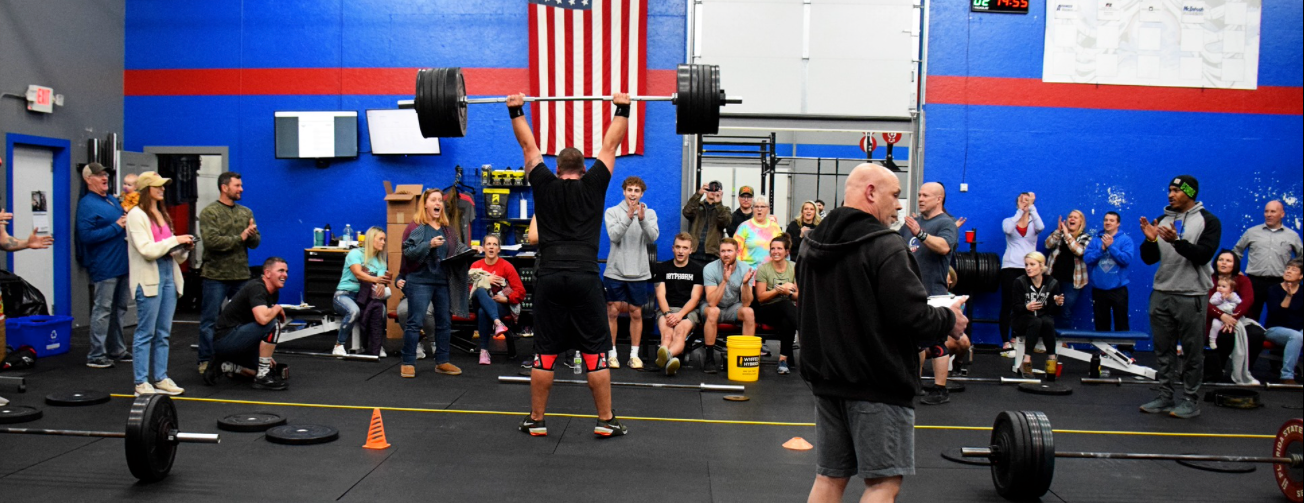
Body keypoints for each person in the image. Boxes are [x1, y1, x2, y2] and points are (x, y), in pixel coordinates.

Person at [798, 163, 968, 503]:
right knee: (883, 485)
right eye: (894, 195)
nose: (900, 204)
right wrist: (950, 320)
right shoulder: (886, 245)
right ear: (871, 192)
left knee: (829, 479)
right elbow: (913, 318)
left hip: (828, 382)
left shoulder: (810, 245)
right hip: (878, 383)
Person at [510, 91, 631, 437]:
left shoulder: (544, 185)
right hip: (584, 277)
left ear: (558, 169)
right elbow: (610, 145)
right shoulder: (595, 185)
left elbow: (529, 147)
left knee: (544, 353)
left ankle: (536, 420)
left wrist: (515, 109)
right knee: (596, 353)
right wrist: (622, 106)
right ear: (582, 169)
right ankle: (605, 421)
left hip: (548, 277)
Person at [1139, 174, 1221, 419]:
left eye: (1176, 190)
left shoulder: (1209, 221)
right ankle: (1165, 397)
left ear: (1190, 193)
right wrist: (1150, 240)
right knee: (1163, 350)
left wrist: (1177, 241)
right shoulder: (1163, 219)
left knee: (1192, 351)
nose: (1170, 194)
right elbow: (1149, 258)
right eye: (1169, 190)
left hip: (1191, 295)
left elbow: (1203, 255)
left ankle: (1190, 400)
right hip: (1162, 293)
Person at [125, 171, 194, 397]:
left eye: (163, 186)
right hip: (148, 277)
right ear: (146, 189)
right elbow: (146, 250)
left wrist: (183, 247)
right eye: (158, 186)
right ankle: (141, 382)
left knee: (163, 332)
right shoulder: (136, 214)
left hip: (168, 274)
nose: (162, 189)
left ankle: (161, 377)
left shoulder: (161, 213)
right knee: (146, 332)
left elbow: (170, 252)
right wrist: (175, 240)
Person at [399, 188, 473, 378]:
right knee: (415, 321)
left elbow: (457, 248)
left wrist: (470, 251)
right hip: (420, 280)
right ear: (425, 204)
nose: (438, 203)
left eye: (440, 200)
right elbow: (408, 252)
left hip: (442, 281)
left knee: (444, 322)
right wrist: (428, 245)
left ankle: (442, 361)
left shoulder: (448, 230)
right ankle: (408, 362)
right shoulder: (416, 227)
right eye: (434, 200)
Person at [197, 172, 260, 376]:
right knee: (210, 321)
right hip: (215, 275)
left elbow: (255, 243)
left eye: (241, 185)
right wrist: (240, 236)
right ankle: (206, 360)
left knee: (245, 320)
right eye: (237, 185)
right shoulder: (210, 213)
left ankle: (241, 360)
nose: (241, 189)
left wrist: (250, 234)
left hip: (241, 275)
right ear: (225, 187)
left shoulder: (245, 212)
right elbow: (212, 243)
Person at [76, 162, 132, 369]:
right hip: (104, 266)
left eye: (105, 174)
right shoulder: (87, 204)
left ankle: (116, 349)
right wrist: (116, 226)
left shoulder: (111, 200)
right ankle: (96, 354)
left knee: (119, 309)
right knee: (103, 309)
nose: (104, 177)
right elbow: (86, 236)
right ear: (88, 179)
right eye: (98, 175)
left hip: (122, 264)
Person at [205, 257, 290, 390]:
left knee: (268, 369)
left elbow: (256, 325)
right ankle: (262, 377)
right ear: (267, 273)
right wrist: (277, 308)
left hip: (239, 338)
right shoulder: (257, 287)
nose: (285, 275)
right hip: (226, 339)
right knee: (273, 324)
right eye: (280, 271)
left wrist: (265, 357)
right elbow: (263, 320)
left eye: (286, 271)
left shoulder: (273, 293)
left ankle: (225, 366)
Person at [603, 175, 659, 369]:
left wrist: (642, 220)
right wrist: (628, 216)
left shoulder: (649, 213)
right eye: (629, 190)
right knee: (612, 312)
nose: (633, 194)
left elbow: (652, 238)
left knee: (637, 313)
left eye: (636, 191)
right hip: (615, 271)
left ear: (641, 194)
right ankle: (612, 354)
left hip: (639, 272)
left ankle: (634, 355)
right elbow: (614, 236)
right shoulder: (612, 212)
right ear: (624, 192)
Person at [1234, 200, 1303, 323]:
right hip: (1254, 282)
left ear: (1282, 214)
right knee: (1250, 317)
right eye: (1266, 211)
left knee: (1278, 318)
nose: (1268, 214)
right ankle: (1251, 341)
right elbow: (1236, 252)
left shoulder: (1292, 236)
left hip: (1280, 284)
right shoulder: (1252, 232)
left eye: (1273, 211)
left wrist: (1297, 277)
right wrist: (1236, 271)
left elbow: (1301, 257)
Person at [1205, 250, 1265, 384]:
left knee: (1257, 335)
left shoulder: (1243, 280)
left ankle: (1246, 370)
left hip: (1238, 318)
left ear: (1235, 264)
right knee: (1226, 334)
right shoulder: (1208, 278)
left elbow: (1248, 301)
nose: (1224, 263)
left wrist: (1232, 318)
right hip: (1213, 319)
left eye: (1228, 260)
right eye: (1221, 259)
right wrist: (1222, 316)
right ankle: (1218, 370)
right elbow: (1205, 302)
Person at [331, 226, 392, 357]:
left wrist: (381, 284)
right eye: (380, 239)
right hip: (343, 295)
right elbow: (358, 274)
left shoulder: (381, 262)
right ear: (371, 239)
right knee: (354, 311)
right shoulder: (355, 254)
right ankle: (339, 345)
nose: (383, 242)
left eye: (384, 240)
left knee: (380, 310)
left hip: (363, 298)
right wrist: (376, 279)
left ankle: (377, 345)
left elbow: (380, 280)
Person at [468, 233, 525, 365]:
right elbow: (470, 290)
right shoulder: (476, 265)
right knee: (480, 289)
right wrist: (485, 280)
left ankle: (484, 351)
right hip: (478, 301)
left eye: (495, 244)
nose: (491, 247)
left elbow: (521, 292)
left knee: (484, 312)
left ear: (499, 249)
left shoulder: (506, 266)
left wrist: (506, 299)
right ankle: (498, 323)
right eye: (488, 244)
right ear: (483, 248)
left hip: (500, 304)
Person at [652, 233, 704, 377]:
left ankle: (666, 356)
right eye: (678, 247)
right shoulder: (662, 268)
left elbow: (695, 298)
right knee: (667, 335)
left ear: (690, 250)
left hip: (688, 311)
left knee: (679, 333)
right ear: (673, 248)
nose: (681, 251)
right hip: (666, 309)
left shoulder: (697, 270)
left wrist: (680, 315)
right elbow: (660, 295)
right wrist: (668, 314)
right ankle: (670, 362)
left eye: (685, 248)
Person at [701, 238, 756, 374]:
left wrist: (745, 284)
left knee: (749, 312)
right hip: (712, 306)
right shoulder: (710, 268)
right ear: (719, 253)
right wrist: (724, 281)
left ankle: (746, 355)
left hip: (732, 306)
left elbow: (747, 303)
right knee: (713, 311)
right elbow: (712, 302)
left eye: (729, 251)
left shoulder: (746, 269)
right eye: (723, 251)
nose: (726, 254)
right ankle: (709, 358)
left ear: (737, 252)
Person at [999, 192, 1044, 354]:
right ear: (1017, 202)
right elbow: (1009, 230)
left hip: (1029, 269)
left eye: (1027, 200)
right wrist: (1021, 211)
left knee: (1025, 304)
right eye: (1021, 200)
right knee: (1008, 303)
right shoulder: (1009, 221)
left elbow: (1041, 227)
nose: (1024, 203)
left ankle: (1017, 337)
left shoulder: (1034, 222)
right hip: (1010, 267)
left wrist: (1031, 208)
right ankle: (1005, 340)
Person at [1011, 252, 1065, 378]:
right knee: (1036, 321)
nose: (1028, 268)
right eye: (1026, 265)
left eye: (1032, 264)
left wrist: (1057, 303)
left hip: (1041, 319)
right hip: (1021, 319)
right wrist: (1026, 307)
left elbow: (1052, 312)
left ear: (1041, 266)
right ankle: (1026, 361)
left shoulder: (1052, 283)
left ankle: (1052, 360)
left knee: (1047, 322)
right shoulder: (1020, 282)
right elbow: (1015, 307)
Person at [900, 182, 957, 296]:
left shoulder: (946, 223)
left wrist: (920, 234)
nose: (920, 199)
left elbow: (944, 247)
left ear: (938, 199)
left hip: (932, 294)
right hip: (909, 293)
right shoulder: (911, 224)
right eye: (919, 195)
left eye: (925, 196)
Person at [753, 235, 799, 375]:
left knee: (787, 320)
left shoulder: (795, 267)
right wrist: (779, 290)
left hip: (788, 312)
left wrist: (788, 292)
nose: (775, 251)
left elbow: (799, 295)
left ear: (787, 252)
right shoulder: (763, 269)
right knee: (785, 304)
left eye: (779, 248)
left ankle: (783, 360)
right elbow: (761, 298)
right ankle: (806, 331)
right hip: (767, 310)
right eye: (772, 249)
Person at [1084, 211, 1135, 332]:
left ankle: (1125, 350)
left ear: (1118, 224)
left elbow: (1126, 260)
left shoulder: (1125, 240)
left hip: (1118, 289)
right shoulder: (1096, 240)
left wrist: (1111, 247)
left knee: (1121, 320)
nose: (1108, 222)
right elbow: (1087, 259)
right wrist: (1101, 249)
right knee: (1101, 322)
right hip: (1099, 289)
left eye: (1112, 220)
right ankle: (1103, 350)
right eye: (1106, 220)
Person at [1044, 209, 1092, 329]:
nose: (1072, 219)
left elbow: (1080, 251)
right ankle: (1046, 339)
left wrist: (1067, 235)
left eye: (1075, 217)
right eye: (1070, 217)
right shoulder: (1059, 234)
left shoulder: (1085, 237)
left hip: (1072, 282)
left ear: (1081, 222)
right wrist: (1058, 231)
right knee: (1049, 308)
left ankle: (1063, 341)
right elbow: (1047, 244)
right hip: (1053, 278)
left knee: (1065, 310)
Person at [1263, 258, 1302, 384]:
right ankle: (1287, 376)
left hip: (1298, 330)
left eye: (1294, 269)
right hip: (1275, 329)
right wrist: (1289, 296)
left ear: (1301, 276)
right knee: (1296, 336)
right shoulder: (1273, 290)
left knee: (1298, 335)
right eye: (1288, 268)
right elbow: (1276, 314)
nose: (1289, 271)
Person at [683, 180, 731, 266]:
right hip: (694, 253)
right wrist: (699, 193)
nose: (713, 191)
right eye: (711, 189)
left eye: (716, 189)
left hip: (713, 254)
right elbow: (687, 212)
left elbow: (724, 222)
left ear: (721, 192)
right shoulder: (697, 206)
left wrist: (718, 204)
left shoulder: (725, 209)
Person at [733, 197, 785, 270]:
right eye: (756, 206)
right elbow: (736, 252)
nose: (759, 209)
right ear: (752, 209)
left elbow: (783, 249)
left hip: (770, 272)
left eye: (763, 206)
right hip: (749, 272)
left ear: (768, 209)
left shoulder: (775, 227)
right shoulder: (744, 227)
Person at [1207, 277, 1242, 350]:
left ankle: (1234, 348)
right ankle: (1212, 340)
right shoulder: (1217, 294)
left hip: (1231, 317)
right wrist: (1220, 299)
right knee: (1215, 325)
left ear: (1231, 289)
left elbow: (1239, 302)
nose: (1220, 288)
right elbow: (1211, 302)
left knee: (1233, 329)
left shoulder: (1233, 295)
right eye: (1218, 286)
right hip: (1219, 317)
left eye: (1223, 286)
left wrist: (1230, 298)